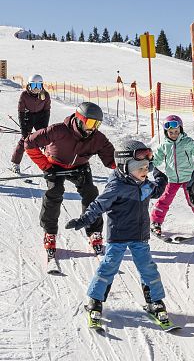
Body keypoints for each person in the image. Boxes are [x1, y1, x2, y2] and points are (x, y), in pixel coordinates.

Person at [65, 139, 170, 324]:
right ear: (124, 167)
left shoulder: (144, 184)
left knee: (148, 269)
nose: (145, 172)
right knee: (108, 268)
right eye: (141, 168)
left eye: (147, 168)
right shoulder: (116, 187)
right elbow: (98, 206)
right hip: (119, 237)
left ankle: (155, 301)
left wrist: (159, 174)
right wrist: (84, 219)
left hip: (140, 237)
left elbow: (158, 189)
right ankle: (95, 301)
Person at [24, 101, 115, 258]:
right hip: (55, 165)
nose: (94, 128)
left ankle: (94, 231)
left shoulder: (97, 138)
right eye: (91, 123)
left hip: (79, 167)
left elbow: (112, 159)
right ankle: (50, 233)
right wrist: (45, 166)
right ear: (80, 119)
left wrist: (131, 165)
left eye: (97, 124)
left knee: (91, 192)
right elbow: (29, 143)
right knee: (54, 192)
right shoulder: (58, 130)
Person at [150, 114, 194, 237]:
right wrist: (150, 165)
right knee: (164, 200)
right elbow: (157, 159)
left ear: (180, 130)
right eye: (171, 132)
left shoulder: (187, 142)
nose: (174, 134)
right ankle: (156, 222)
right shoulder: (164, 146)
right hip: (172, 179)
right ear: (166, 132)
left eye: (176, 131)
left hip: (188, 178)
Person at [10, 74, 51, 174]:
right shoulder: (24, 95)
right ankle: (15, 162)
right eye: (33, 86)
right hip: (28, 117)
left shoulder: (45, 95)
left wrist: (44, 127)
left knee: (46, 139)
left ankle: (51, 163)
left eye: (38, 86)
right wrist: (23, 128)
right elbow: (21, 112)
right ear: (29, 85)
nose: (36, 89)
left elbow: (47, 111)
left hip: (40, 117)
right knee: (25, 140)